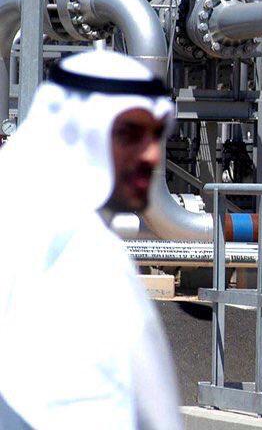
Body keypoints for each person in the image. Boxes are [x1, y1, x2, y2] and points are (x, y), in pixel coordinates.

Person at [0, 48, 182, 429]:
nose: (151, 154)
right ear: (76, 129)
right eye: (130, 134)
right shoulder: (84, 252)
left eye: (156, 134)